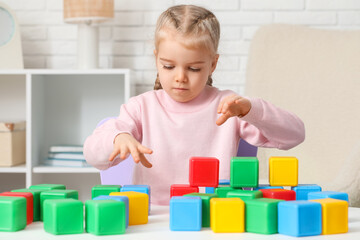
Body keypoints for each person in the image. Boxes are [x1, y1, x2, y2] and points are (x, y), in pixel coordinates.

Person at [84, 5, 305, 205]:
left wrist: (251, 110)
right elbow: (92, 154)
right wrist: (117, 137)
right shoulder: (142, 107)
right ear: (156, 59)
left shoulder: (229, 107)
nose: (180, 77)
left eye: (194, 69)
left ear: (213, 64)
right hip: (157, 215)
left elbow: (295, 135)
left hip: (215, 216)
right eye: (169, 66)